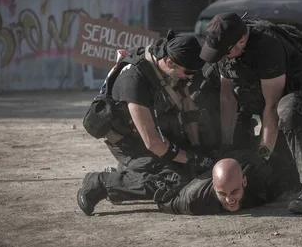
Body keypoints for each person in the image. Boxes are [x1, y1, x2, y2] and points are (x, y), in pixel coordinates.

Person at [199, 12, 302, 214]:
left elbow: (272, 106)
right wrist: (226, 146)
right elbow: (227, 99)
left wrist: (262, 154)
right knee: (281, 177)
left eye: (223, 52)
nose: (220, 57)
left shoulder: (268, 46)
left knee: (288, 111)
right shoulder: (227, 46)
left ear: (241, 41)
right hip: (276, 107)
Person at [77, 33, 216, 216]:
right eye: (188, 72)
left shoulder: (170, 65)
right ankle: (102, 183)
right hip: (130, 142)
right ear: (169, 62)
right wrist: (190, 159)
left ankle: (134, 170)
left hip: (155, 130)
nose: (190, 77)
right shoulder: (134, 81)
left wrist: (196, 147)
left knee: (192, 164)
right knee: (171, 180)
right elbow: (153, 142)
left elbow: (188, 106)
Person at [154, 140, 302, 215]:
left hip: (267, 173)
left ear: (244, 182)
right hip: (236, 163)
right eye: (223, 193)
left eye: (234, 191)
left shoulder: (261, 174)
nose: (229, 199)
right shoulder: (193, 199)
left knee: (300, 178)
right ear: (213, 187)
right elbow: (164, 200)